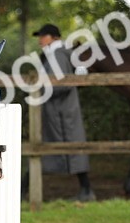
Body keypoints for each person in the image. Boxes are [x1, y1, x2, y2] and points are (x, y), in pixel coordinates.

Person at [33, 23, 95, 202]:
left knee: (66, 148)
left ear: (54, 38)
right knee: (49, 148)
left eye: (43, 36)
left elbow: (60, 84)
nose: (40, 40)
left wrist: (39, 92)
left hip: (61, 111)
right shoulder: (54, 54)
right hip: (58, 110)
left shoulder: (58, 55)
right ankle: (86, 189)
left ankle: (86, 190)